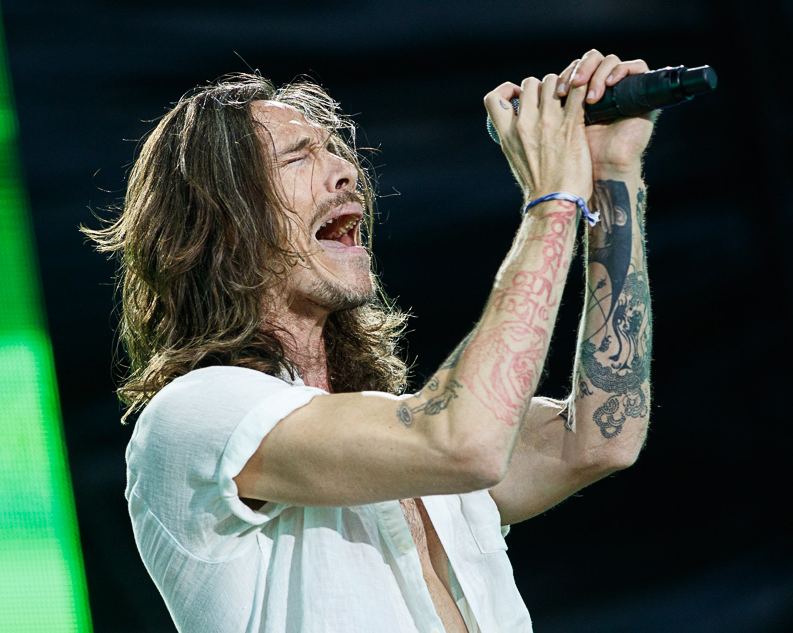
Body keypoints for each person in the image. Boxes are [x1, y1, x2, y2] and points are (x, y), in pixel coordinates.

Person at [86, 49, 654, 633]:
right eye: (297, 156)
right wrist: (553, 200)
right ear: (224, 224)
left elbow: (601, 436)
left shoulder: (405, 437)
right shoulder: (195, 416)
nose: (345, 171)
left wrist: (613, 176)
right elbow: (465, 442)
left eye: (335, 149)